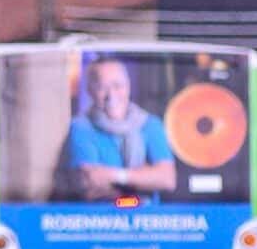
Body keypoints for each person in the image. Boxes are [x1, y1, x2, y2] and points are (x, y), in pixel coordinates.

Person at [62, 56, 177, 196]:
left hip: (147, 215)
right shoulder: (81, 127)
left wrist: (115, 175)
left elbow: (167, 179)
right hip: (100, 215)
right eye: (102, 87)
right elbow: (90, 185)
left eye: (117, 85)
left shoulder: (150, 124)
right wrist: (146, 175)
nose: (111, 95)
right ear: (90, 91)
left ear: (128, 86)